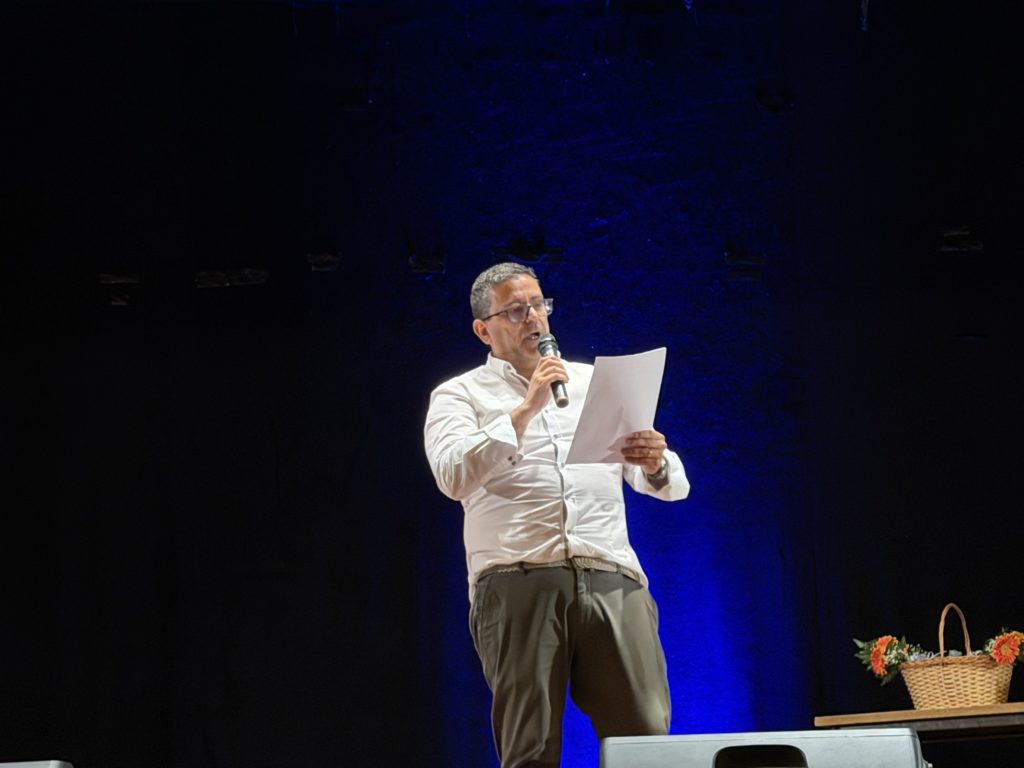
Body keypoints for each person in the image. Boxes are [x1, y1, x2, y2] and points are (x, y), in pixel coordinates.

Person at [423, 262, 691, 768]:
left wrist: (655, 461)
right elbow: (452, 476)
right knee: (530, 749)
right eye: (515, 311)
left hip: (611, 575)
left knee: (646, 743)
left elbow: (671, 485)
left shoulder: (594, 383)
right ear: (483, 330)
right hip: (517, 580)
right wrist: (524, 410)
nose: (533, 319)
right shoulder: (460, 394)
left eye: (538, 305)